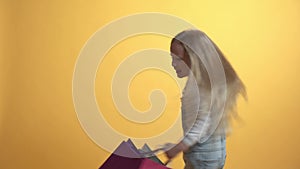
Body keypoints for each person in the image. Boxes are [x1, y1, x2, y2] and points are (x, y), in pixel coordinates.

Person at [164, 29, 247, 169]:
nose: (173, 64)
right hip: (213, 155)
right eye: (172, 58)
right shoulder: (207, 84)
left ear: (195, 58)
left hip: (203, 158)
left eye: (178, 59)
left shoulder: (199, 87)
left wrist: (178, 147)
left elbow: (202, 123)